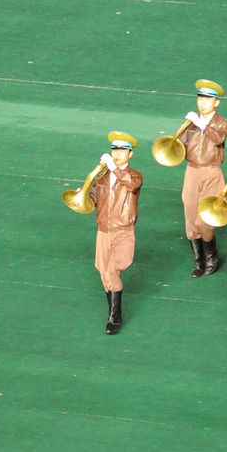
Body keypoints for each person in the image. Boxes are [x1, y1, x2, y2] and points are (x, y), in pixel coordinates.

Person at [87, 131, 144, 334]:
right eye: (115, 150)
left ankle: (115, 316)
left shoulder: (134, 175)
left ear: (130, 154)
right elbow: (93, 198)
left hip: (123, 230)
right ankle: (113, 311)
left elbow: (131, 184)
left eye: (122, 150)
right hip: (103, 229)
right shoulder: (102, 176)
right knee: (103, 270)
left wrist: (114, 169)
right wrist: (83, 195)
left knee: (111, 270)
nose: (117, 153)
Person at [178, 80, 227, 278]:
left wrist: (201, 124)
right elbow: (180, 149)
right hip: (192, 171)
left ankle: (212, 256)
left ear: (216, 102)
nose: (202, 103)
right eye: (200, 98)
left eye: (208, 99)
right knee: (191, 217)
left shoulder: (222, 123)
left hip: (211, 172)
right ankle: (199, 261)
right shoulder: (190, 124)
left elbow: (218, 139)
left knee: (205, 220)